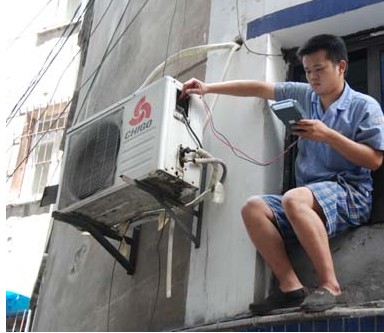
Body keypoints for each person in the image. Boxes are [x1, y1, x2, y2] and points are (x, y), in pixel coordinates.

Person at [182, 34, 384, 315]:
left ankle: (330, 286)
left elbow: (375, 160)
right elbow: (258, 88)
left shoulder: (365, 106)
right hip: (305, 202)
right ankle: (290, 287)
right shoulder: (305, 95)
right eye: (308, 70)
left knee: (294, 199)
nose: (313, 77)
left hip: (350, 194)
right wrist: (207, 87)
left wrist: (328, 136)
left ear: (341, 66)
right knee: (253, 208)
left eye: (319, 69)